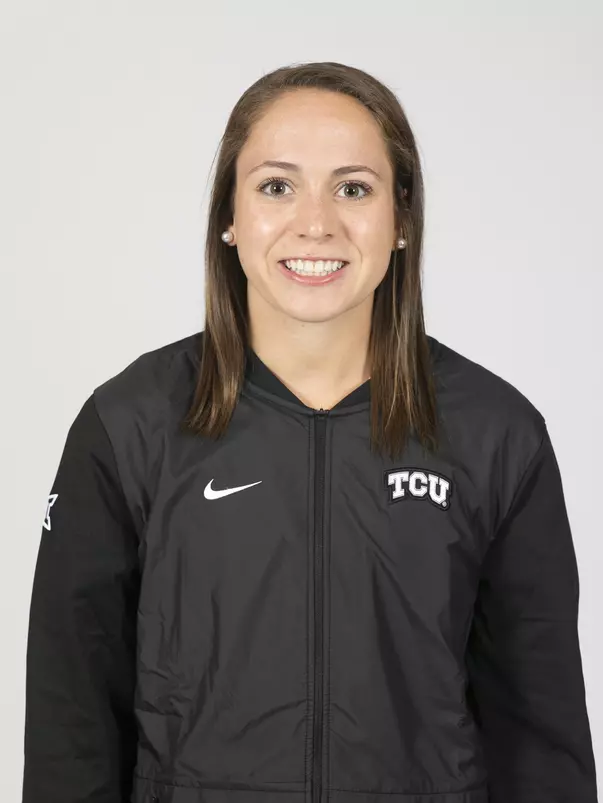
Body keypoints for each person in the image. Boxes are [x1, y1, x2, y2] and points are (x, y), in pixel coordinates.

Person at [22, 62, 598, 803]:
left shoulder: (495, 434)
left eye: (353, 188)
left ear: (401, 221)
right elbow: (71, 727)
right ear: (229, 216)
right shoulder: (128, 426)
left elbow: (538, 734)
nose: (316, 222)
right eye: (276, 186)